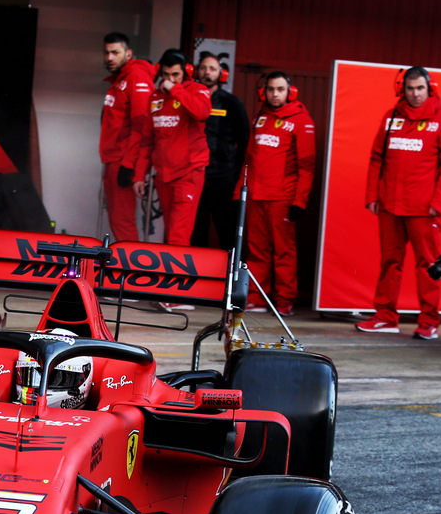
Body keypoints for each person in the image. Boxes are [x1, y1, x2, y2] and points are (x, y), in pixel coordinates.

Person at [357, 66, 441, 340]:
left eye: (420, 88)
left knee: (429, 265)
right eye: (410, 88)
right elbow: (376, 158)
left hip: (424, 209)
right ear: (401, 90)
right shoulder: (392, 116)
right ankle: (385, 317)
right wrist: (372, 196)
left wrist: (438, 203)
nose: (415, 94)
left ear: (430, 88)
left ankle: (429, 322)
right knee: (389, 262)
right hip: (390, 206)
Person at [236, 71, 315, 316]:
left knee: (284, 252)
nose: (275, 94)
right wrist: (240, 191)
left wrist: (300, 200)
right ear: (264, 92)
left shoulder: (302, 120)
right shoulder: (260, 117)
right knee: (256, 250)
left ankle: (284, 302)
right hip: (257, 195)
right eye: (271, 89)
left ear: (290, 92)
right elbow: (249, 158)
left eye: (280, 89)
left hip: (283, 197)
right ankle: (257, 299)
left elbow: (308, 165)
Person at [132, 49, 212, 246]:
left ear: (186, 72)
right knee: (170, 234)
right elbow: (147, 141)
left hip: (189, 173)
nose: (170, 79)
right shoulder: (155, 98)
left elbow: (202, 113)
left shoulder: (197, 91)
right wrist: (139, 176)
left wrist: (176, 90)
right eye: (166, 75)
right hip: (164, 175)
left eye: (175, 74)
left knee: (178, 236)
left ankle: (178, 277)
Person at [99, 32, 155, 243]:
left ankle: (130, 269)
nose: (110, 58)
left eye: (115, 52)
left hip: (123, 160)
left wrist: (129, 164)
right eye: (106, 53)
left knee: (122, 220)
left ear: (128, 53)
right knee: (117, 219)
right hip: (113, 158)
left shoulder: (137, 77)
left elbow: (142, 126)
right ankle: (126, 266)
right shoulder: (119, 81)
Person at [190, 52, 248, 252]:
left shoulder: (232, 103)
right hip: (196, 176)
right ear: (196, 71)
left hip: (224, 179)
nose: (207, 72)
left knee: (228, 232)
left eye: (212, 68)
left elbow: (245, 141)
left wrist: (237, 175)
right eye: (204, 68)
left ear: (221, 74)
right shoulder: (190, 100)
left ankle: (228, 279)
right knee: (196, 231)